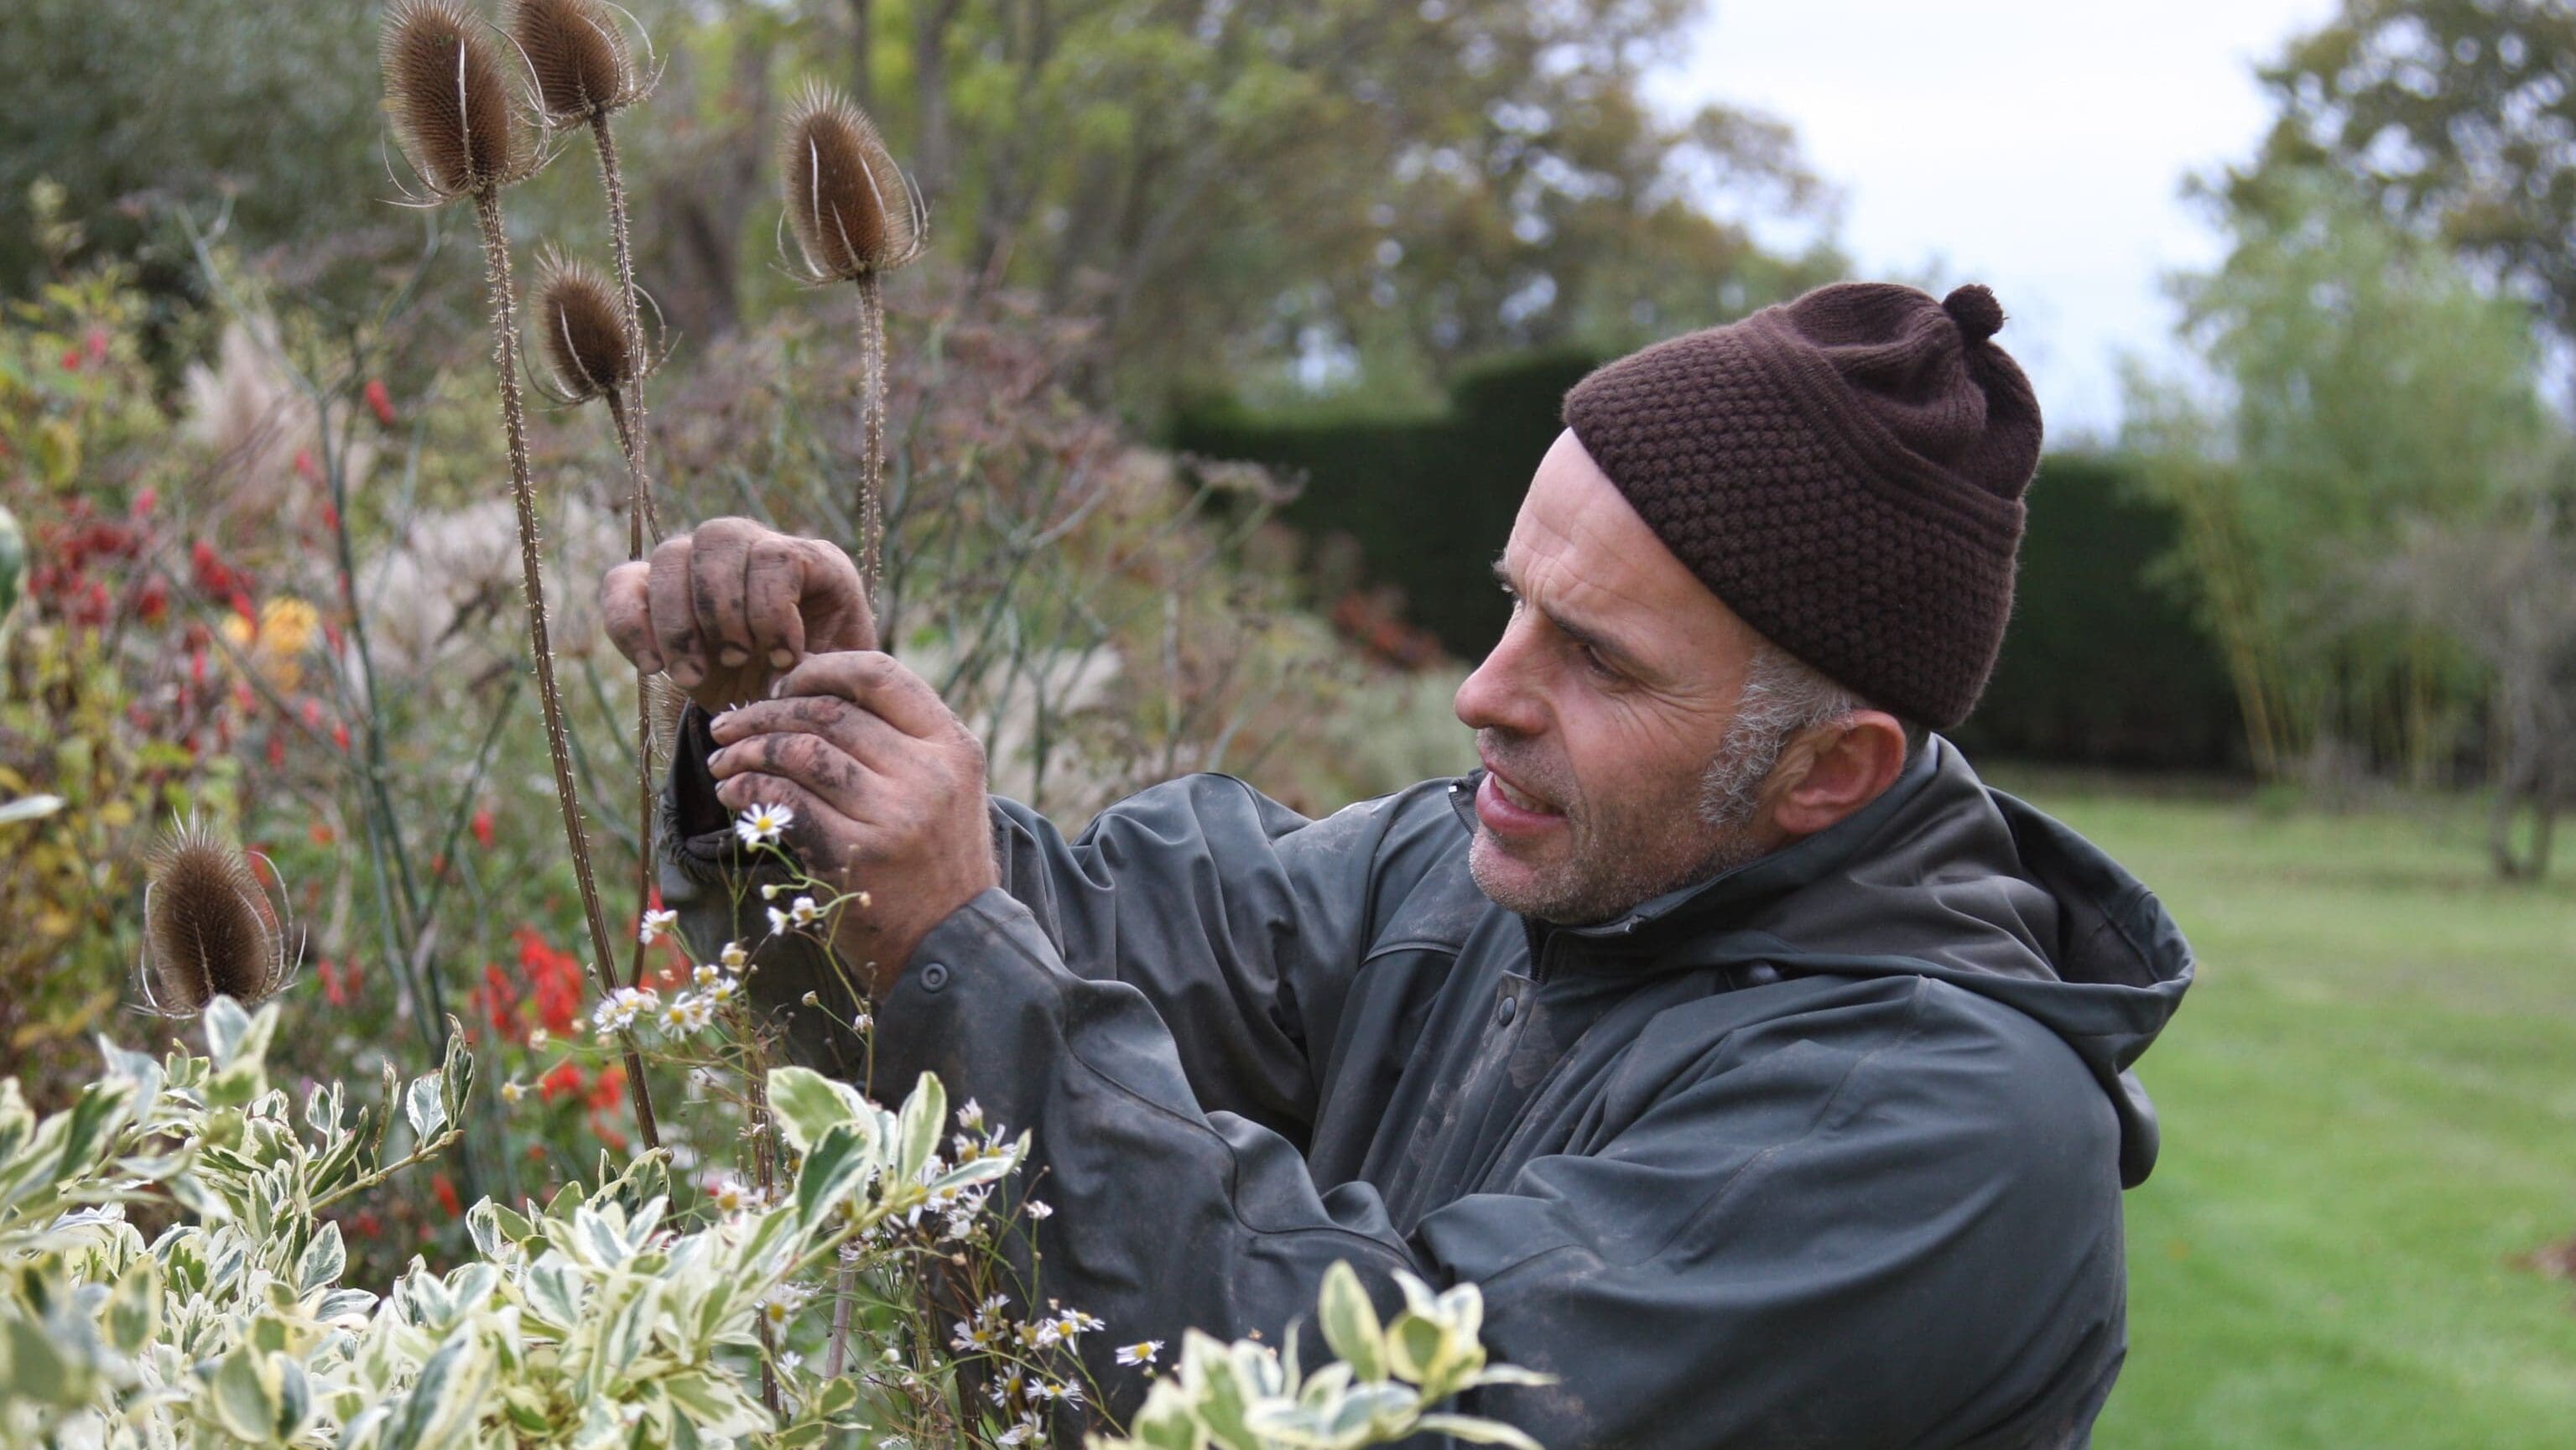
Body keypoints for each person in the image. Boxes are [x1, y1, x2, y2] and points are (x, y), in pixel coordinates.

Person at [599, 280, 2193, 1448]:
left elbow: (1360, 1395)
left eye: (1600, 660)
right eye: (1513, 603)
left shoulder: (1937, 1137)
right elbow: (1056, 931)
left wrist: (953, 937)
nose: (1485, 692)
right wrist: (799, 756)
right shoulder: (1480, 880)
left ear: (1826, 770)